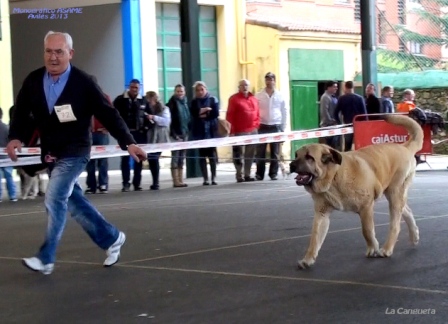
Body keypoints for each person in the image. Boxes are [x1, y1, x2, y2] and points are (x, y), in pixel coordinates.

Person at [6, 31, 147, 275]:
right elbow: (20, 112)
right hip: (51, 153)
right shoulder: (33, 81)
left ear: (70, 54)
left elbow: (108, 113)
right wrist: (15, 137)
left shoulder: (84, 82)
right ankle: (112, 238)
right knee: (74, 202)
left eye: (59, 52)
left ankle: (46, 257)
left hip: (76, 151)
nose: (53, 57)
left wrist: (128, 142)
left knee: (54, 197)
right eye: (48, 51)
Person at [113, 79, 150, 192]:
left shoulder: (143, 101)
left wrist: (146, 128)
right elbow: (114, 116)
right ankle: (125, 183)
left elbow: (149, 116)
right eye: (132, 87)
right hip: (125, 134)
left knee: (139, 159)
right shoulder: (120, 100)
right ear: (129, 87)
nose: (134, 90)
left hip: (139, 133)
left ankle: (137, 183)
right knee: (125, 159)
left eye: (136, 88)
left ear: (139, 88)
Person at [226, 79, 260, 182]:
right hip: (239, 131)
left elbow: (257, 113)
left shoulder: (254, 98)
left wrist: (256, 126)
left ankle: (247, 174)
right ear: (239, 87)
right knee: (238, 154)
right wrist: (231, 131)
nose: (245, 87)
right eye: (242, 85)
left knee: (250, 154)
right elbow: (230, 115)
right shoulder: (234, 99)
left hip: (253, 130)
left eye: (246, 85)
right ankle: (239, 174)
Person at [255, 72, 287, 181]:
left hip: (276, 126)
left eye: (271, 79)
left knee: (275, 152)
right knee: (260, 152)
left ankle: (273, 173)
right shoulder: (259, 95)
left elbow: (284, 111)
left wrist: (283, 126)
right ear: (265, 81)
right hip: (262, 126)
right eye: (267, 79)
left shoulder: (280, 95)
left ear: (274, 81)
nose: (269, 81)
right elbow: (255, 110)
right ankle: (259, 174)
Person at [85, 77, 112, 194]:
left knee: (102, 160)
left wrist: (108, 127)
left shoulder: (104, 97)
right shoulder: (82, 97)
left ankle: (103, 184)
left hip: (101, 133)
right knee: (89, 161)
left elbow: (111, 113)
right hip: (88, 134)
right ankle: (91, 185)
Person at [190, 81, 220, 185]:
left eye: (202, 89)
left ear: (206, 89)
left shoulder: (213, 99)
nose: (200, 92)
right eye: (198, 90)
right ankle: (205, 178)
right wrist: (206, 110)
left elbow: (215, 113)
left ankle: (213, 178)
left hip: (211, 131)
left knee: (212, 155)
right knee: (202, 156)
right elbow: (194, 113)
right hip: (200, 131)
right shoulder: (194, 102)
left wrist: (202, 113)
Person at [146, 91, 171, 190]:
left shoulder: (164, 109)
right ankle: (154, 181)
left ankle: (156, 182)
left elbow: (166, 121)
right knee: (151, 159)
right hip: (150, 137)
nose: (148, 102)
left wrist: (154, 117)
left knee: (154, 158)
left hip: (160, 137)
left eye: (150, 99)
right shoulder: (146, 108)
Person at [166, 84, 190, 188]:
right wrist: (174, 134)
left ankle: (181, 179)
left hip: (185, 133)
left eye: (181, 91)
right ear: (175, 92)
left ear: (184, 92)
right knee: (175, 157)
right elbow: (170, 121)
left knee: (182, 157)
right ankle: (175, 180)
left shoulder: (185, 103)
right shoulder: (171, 104)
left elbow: (188, 118)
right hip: (176, 134)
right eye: (178, 91)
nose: (180, 93)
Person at [333, 81, 367, 152]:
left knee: (347, 146)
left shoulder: (342, 99)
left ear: (345, 87)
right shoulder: (360, 98)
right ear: (353, 87)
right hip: (359, 125)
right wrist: (365, 126)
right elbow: (364, 114)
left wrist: (340, 123)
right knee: (360, 146)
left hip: (347, 125)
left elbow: (335, 113)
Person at [0, 107, 18, 203]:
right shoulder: (6, 127)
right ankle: (13, 195)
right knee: (9, 177)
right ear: (1, 115)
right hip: (7, 157)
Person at [319, 81, 339, 148]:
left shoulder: (333, 97)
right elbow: (324, 111)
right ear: (328, 87)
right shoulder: (325, 97)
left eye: (336, 87)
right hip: (328, 126)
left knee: (334, 146)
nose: (336, 88)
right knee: (330, 147)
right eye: (334, 87)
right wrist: (331, 121)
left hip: (334, 125)